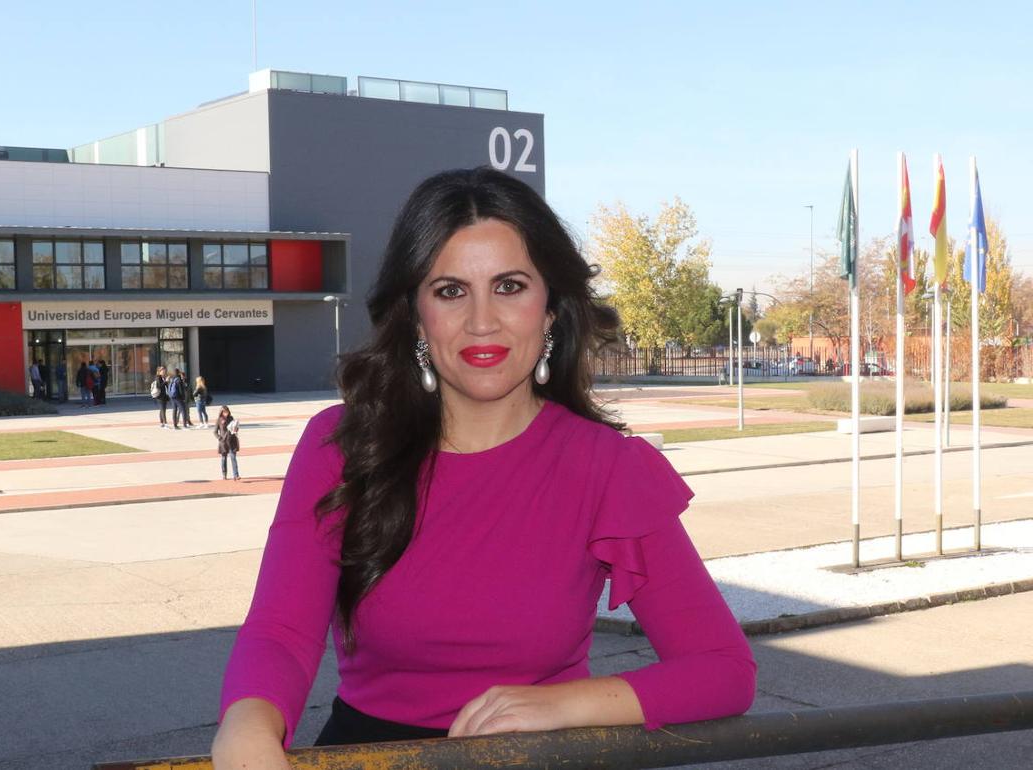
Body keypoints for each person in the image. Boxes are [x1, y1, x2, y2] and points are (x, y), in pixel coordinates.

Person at [213, 168, 754, 765]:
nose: (481, 321)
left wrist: (564, 705)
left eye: (510, 286)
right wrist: (247, 726)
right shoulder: (341, 446)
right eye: (450, 291)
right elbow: (281, 633)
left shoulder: (607, 467)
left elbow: (723, 669)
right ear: (416, 315)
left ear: (551, 309)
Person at [213, 405, 240, 480]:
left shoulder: (231, 418)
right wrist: (220, 438)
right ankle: (224, 474)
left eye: (227, 412)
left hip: (232, 440)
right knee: (224, 458)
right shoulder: (219, 420)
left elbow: (235, 427)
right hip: (224, 442)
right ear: (221, 412)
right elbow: (215, 432)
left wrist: (236, 429)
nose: (226, 413)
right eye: (224, 412)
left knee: (233, 457)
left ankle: (236, 475)